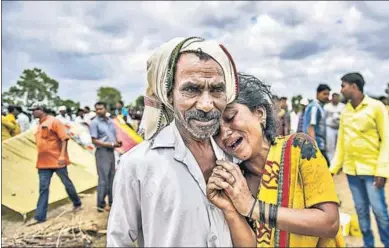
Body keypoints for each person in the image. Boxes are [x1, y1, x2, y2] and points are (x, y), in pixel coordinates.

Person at [107, 37, 239, 247]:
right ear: (169, 96)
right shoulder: (138, 165)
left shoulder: (234, 157)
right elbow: (118, 241)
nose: (206, 104)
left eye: (216, 90)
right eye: (191, 89)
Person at [207, 73, 344, 247]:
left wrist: (252, 207)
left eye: (230, 117)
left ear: (259, 113)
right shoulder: (237, 182)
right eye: (215, 131)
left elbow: (329, 223)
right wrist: (230, 209)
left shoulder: (298, 148)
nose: (224, 133)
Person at [330, 72, 389, 248]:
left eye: (343, 85)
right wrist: (333, 169)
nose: (341, 89)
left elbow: (387, 139)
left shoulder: (376, 107)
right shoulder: (346, 112)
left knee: (380, 212)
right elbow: (341, 144)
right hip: (352, 172)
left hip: (372, 171)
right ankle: (368, 244)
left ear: (354, 86)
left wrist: (382, 169)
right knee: (361, 212)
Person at [26, 103, 82, 225]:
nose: (32, 112)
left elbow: (64, 139)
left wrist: (62, 155)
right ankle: (40, 216)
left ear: (42, 110)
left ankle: (77, 202)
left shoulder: (54, 122)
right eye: (32, 110)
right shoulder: (38, 125)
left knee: (67, 183)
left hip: (57, 160)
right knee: (43, 188)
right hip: (43, 162)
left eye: (35, 110)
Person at [89, 102, 121, 212]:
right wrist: (111, 144)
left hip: (111, 152)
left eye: (101, 109)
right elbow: (94, 140)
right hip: (102, 152)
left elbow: (113, 136)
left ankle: (112, 202)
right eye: (97, 109)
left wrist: (116, 142)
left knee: (112, 178)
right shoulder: (94, 123)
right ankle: (101, 204)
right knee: (103, 179)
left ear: (105, 109)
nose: (99, 111)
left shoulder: (110, 122)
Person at [303, 84, 331, 166]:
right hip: (316, 145)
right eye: (324, 94)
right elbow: (311, 127)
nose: (327, 96)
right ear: (317, 94)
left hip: (319, 145)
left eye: (328, 94)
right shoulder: (314, 107)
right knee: (325, 167)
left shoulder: (320, 107)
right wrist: (313, 147)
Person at [324, 93, 345, 162]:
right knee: (330, 146)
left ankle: (340, 162)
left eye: (337, 97)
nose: (335, 99)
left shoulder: (343, 106)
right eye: (334, 97)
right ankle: (331, 162)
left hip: (340, 128)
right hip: (330, 128)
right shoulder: (327, 107)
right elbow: (324, 118)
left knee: (340, 145)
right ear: (332, 98)